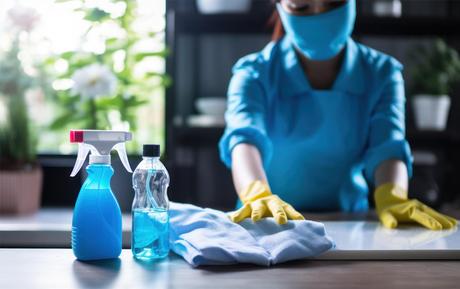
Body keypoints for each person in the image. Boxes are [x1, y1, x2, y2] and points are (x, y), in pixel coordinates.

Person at [218, 0, 457, 230]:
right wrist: (256, 193)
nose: (320, 15)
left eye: (334, 3)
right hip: (268, 222)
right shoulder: (253, 73)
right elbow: (244, 140)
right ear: (279, 6)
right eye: (302, 7)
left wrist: (392, 195)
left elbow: (388, 146)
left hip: (352, 223)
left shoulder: (382, 73)